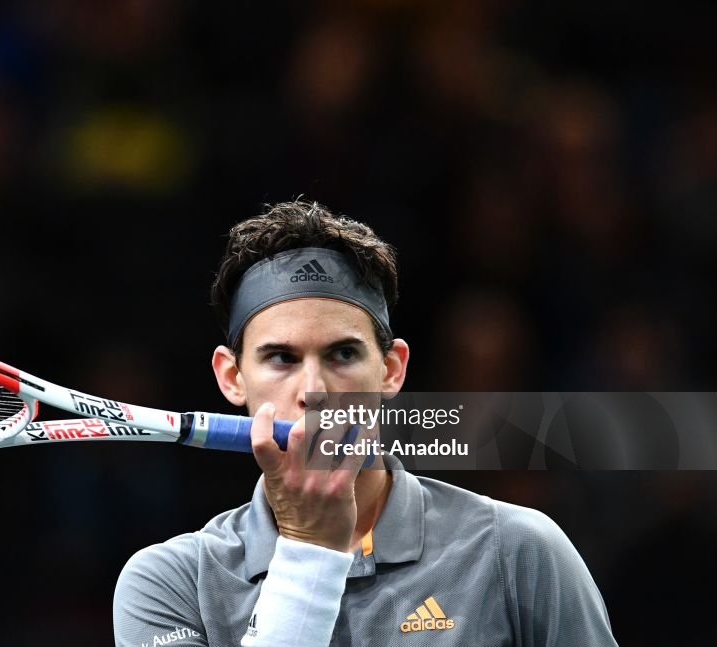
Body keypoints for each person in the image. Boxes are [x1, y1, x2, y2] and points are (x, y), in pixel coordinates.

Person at [113, 200, 618, 646]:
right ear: (233, 377)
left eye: (343, 353)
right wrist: (310, 549)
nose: (315, 390)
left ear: (391, 369)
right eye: (281, 358)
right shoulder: (170, 583)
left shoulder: (518, 550)